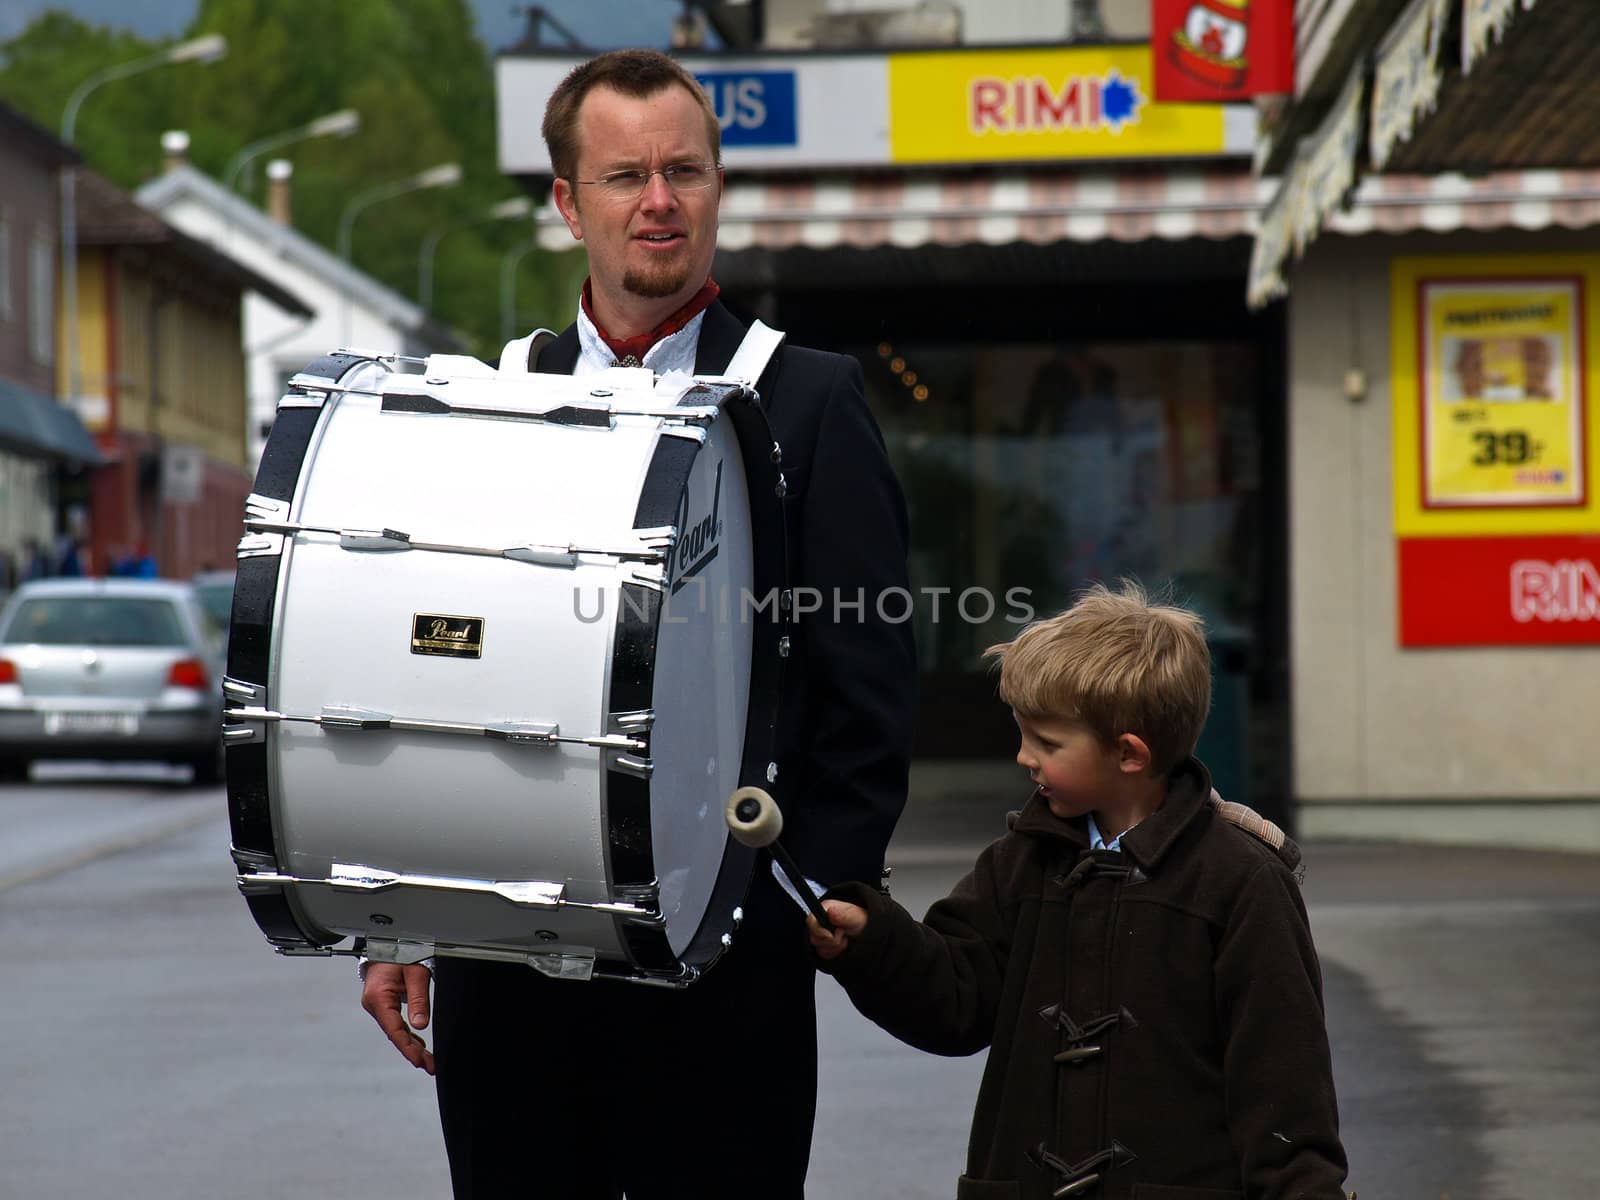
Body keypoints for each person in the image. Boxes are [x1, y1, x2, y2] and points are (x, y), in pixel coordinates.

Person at [360, 48, 918, 1199]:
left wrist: (801, 900)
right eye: (625, 176)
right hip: (512, 964)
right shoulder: (496, 394)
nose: (658, 201)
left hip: (725, 964)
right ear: (569, 204)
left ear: (718, 189)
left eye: (685, 171)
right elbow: (435, 672)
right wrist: (401, 916)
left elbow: (868, 683)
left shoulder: (807, 397)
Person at [808, 582, 1350, 1200]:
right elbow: (956, 997)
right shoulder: (1020, 863)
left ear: (1129, 753)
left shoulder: (1242, 883)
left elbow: (1284, 1083)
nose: (1022, 757)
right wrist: (873, 942)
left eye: (1047, 742)